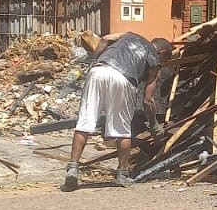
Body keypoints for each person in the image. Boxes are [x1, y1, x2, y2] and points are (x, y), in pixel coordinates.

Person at [61, 32, 173, 191]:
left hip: (98, 70)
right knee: (122, 130)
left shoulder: (129, 35)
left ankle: (72, 169)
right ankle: (122, 174)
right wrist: (154, 126)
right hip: (123, 78)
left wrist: (94, 59)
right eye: (166, 59)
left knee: (85, 123)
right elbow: (148, 100)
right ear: (163, 53)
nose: (164, 62)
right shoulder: (155, 60)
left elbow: (105, 38)